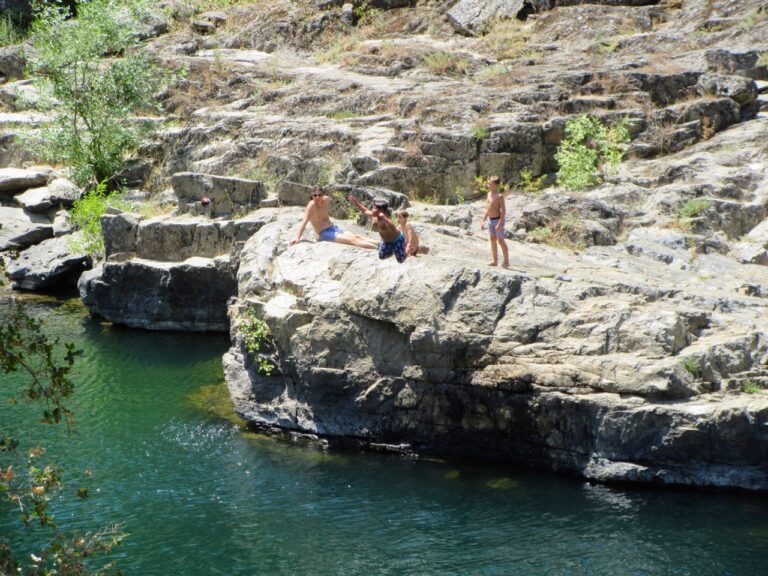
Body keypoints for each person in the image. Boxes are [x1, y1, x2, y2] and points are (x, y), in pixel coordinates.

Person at [289, 186, 378, 249]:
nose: (317, 197)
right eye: (314, 195)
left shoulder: (327, 200)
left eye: (319, 195)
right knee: (352, 240)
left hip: (333, 228)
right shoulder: (311, 206)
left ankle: (382, 244)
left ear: (323, 194)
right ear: (311, 196)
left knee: (356, 236)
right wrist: (297, 238)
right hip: (323, 233)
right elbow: (304, 222)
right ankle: (377, 249)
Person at [348, 195, 407, 263]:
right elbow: (365, 210)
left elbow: (393, 228)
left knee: (401, 260)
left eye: (375, 208)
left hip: (397, 240)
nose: (372, 210)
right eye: (373, 208)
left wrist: (385, 219)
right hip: (386, 242)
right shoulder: (374, 215)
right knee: (381, 256)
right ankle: (393, 250)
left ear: (381, 210)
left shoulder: (386, 220)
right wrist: (356, 202)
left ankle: (405, 244)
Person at [480, 176, 510, 268]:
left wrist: (499, 224)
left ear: (496, 185)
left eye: (491, 184)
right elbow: (488, 209)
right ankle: (494, 260)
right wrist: (483, 220)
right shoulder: (489, 194)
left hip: (497, 220)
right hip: (490, 220)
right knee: (493, 240)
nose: (488, 185)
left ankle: (506, 262)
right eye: (488, 183)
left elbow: (503, 211)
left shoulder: (499, 196)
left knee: (501, 241)